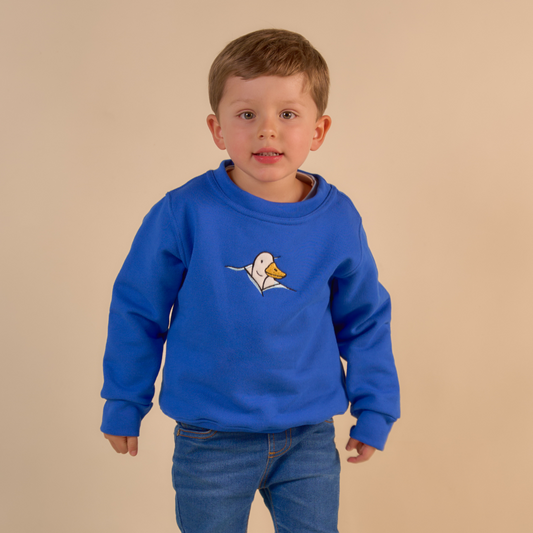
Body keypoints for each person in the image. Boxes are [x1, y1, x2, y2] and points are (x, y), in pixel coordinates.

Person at [101, 28, 400, 533]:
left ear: (318, 131)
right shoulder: (184, 212)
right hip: (210, 438)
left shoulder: (337, 219)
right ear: (217, 129)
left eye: (288, 114)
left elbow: (365, 318)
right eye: (246, 115)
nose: (267, 131)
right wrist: (124, 400)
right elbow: (138, 308)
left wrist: (376, 406)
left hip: (307, 434)